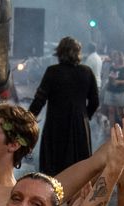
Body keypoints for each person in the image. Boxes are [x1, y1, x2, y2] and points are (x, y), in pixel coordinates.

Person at [28, 37, 100, 177]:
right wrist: (85, 116)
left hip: (55, 125)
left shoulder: (52, 72)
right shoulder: (86, 72)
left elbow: (39, 101)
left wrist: (26, 120)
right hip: (80, 127)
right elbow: (95, 102)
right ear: (78, 53)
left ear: (59, 53)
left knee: (53, 170)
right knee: (79, 171)